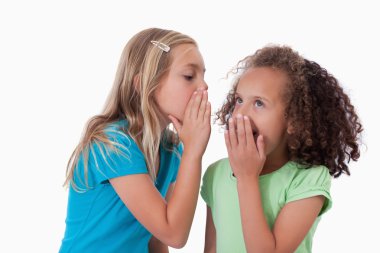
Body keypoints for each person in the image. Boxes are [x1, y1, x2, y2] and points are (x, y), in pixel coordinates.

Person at [59, 27, 211, 253]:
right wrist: (194, 151)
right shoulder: (113, 145)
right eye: (189, 76)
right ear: (143, 85)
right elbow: (174, 233)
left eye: (203, 75)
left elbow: (158, 238)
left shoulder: (170, 149)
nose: (203, 86)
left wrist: (187, 151)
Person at [201, 45, 362, 253]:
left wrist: (247, 178)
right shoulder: (216, 174)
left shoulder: (309, 179)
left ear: (294, 119)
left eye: (259, 103)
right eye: (239, 100)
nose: (241, 113)